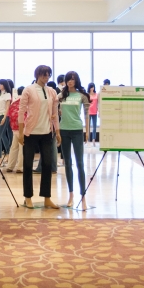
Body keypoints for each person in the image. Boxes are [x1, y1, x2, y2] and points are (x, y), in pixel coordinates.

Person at [18, 65, 60, 209]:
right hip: (31, 133)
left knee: (47, 165)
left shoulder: (51, 91)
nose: (46, 77)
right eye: (43, 74)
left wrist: (57, 131)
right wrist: (21, 132)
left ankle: (47, 198)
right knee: (28, 165)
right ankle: (28, 197)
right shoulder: (29, 90)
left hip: (47, 132)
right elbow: (21, 111)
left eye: (48, 75)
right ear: (37, 75)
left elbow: (55, 113)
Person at [58, 71, 91, 210]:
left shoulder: (82, 95)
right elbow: (54, 109)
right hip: (64, 130)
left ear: (76, 80)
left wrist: (87, 131)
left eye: (72, 79)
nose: (70, 81)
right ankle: (71, 195)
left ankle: (83, 197)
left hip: (77, 130)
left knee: (80, 163)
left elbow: (87, 114)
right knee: (67, 163)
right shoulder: (61, 95)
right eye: (68, 79)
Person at [4, 86, 24, 173]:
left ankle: (10, 166)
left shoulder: (14, 102)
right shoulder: (25, 101)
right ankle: (20, 167)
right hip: (22, 127)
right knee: (22, 147)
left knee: (14, 147)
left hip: (14, 127)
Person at [0, 79, 13, 161]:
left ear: (5, 85)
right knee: (1, 136)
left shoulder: (8, 94)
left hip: (3, 116)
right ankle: (8, 153)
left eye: (1, 84)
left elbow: (7, 107)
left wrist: (4, 117)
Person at [87, 82, 98, 147]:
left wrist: (98, 110)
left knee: (94, 126)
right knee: (88, 127)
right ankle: (88, 140)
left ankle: (94, 140)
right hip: (88, 112)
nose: (92, 88)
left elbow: (98, 103)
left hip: (95, 112)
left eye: (93, 87)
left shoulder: (96, 94)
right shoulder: (87, 94)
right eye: (91, 87)